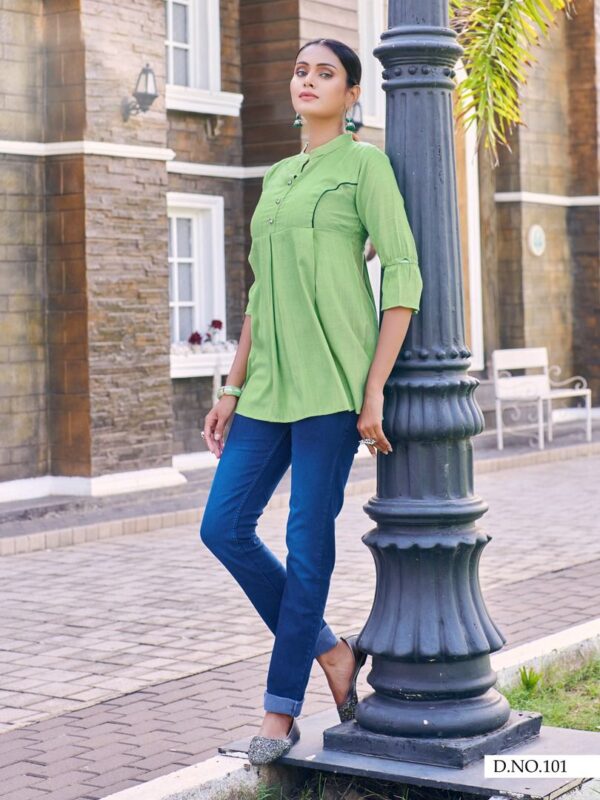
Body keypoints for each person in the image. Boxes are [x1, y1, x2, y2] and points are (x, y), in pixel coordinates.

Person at [199, 37, 423, 765]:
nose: (309, 80)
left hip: (331, 384)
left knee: (306, 544)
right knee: (222, 527)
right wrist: (231, 387)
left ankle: (279, 715)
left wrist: (374, 386)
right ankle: (332, 652)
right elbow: (260, 293)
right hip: (266, 386)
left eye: (326, 73)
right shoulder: (277, 175)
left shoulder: (365, 165)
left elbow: (403, 272)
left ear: (352, 95)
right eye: (301, 70)